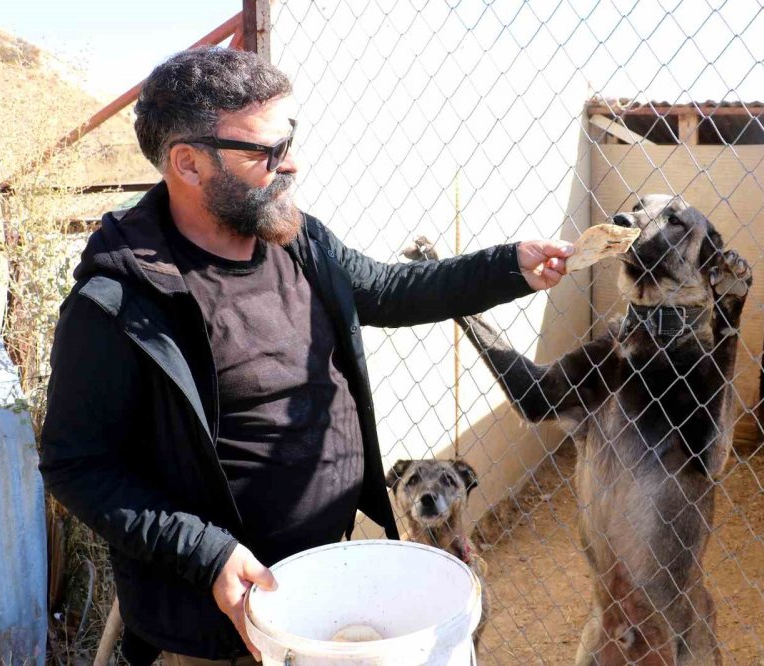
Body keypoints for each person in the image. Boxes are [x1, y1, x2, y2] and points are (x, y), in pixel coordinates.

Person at [39, 46, 574, 665]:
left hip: (331, 582)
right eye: (264, 152)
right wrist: (207, 554)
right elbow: (76, 465)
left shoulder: (298, 239)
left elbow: (386, 289)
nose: (292, 164)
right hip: (220, 620)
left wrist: (511, 266)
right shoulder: (119, 302)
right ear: (187, 163)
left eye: (288, 140)